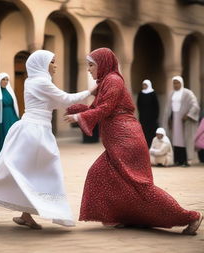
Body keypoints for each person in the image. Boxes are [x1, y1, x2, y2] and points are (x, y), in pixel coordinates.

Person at [64, 48, 202, 235]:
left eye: (91, 65)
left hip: (126, 141)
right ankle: (124, 216)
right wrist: (74, 109)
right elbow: (95, 108)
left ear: (103, 64)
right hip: (118, 141)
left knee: (140, 187)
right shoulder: (106, 82)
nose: (88, 69)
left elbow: (105, 108)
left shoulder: (113, 80)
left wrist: (80, 116)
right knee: (100, 175)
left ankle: (190, 216)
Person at [0, 49, 95, 229]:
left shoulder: (37, 82)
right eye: (52, 62)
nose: (55, 65)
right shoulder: (40, 82)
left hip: (39, 131)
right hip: (32, 131)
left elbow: (57, 103)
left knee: (35, 172)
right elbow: (65, 99)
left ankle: (25, 214)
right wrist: (91, 90)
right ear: (42, 64)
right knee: (15, 169)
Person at [164, 76, 200, 167]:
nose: (175, 85)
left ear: (181, 83)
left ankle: (186, 160)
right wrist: (169, 119)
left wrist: (188, 115)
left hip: (184, 121)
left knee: (184, 140)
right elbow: (169, 108)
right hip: (175, 120)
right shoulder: (171, 94)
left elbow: (195, 106)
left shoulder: (187, 93)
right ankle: (178, 160)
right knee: (176, 140)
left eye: (177, 83)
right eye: (174, 83)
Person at [0, 73, 19, 165]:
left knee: (13, 139)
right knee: (3, 139)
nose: (5, 81)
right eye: (3, 79)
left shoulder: (10, 91)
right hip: (2, 120)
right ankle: (0, 162)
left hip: (12, 118)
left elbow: (14, 105)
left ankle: (13, 160)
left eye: (7, 79)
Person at [137, 79, 159, 147]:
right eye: (143, 85)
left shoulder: (153, 93)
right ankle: (144, 145)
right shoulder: (141, 93)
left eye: (145, 85)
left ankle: (151, 145)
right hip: (143, 116)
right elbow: (138, 104)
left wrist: (155, 116)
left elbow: (156, 106)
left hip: (151, 117)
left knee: (151, 131)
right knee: (144, 131)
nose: (144, 86)